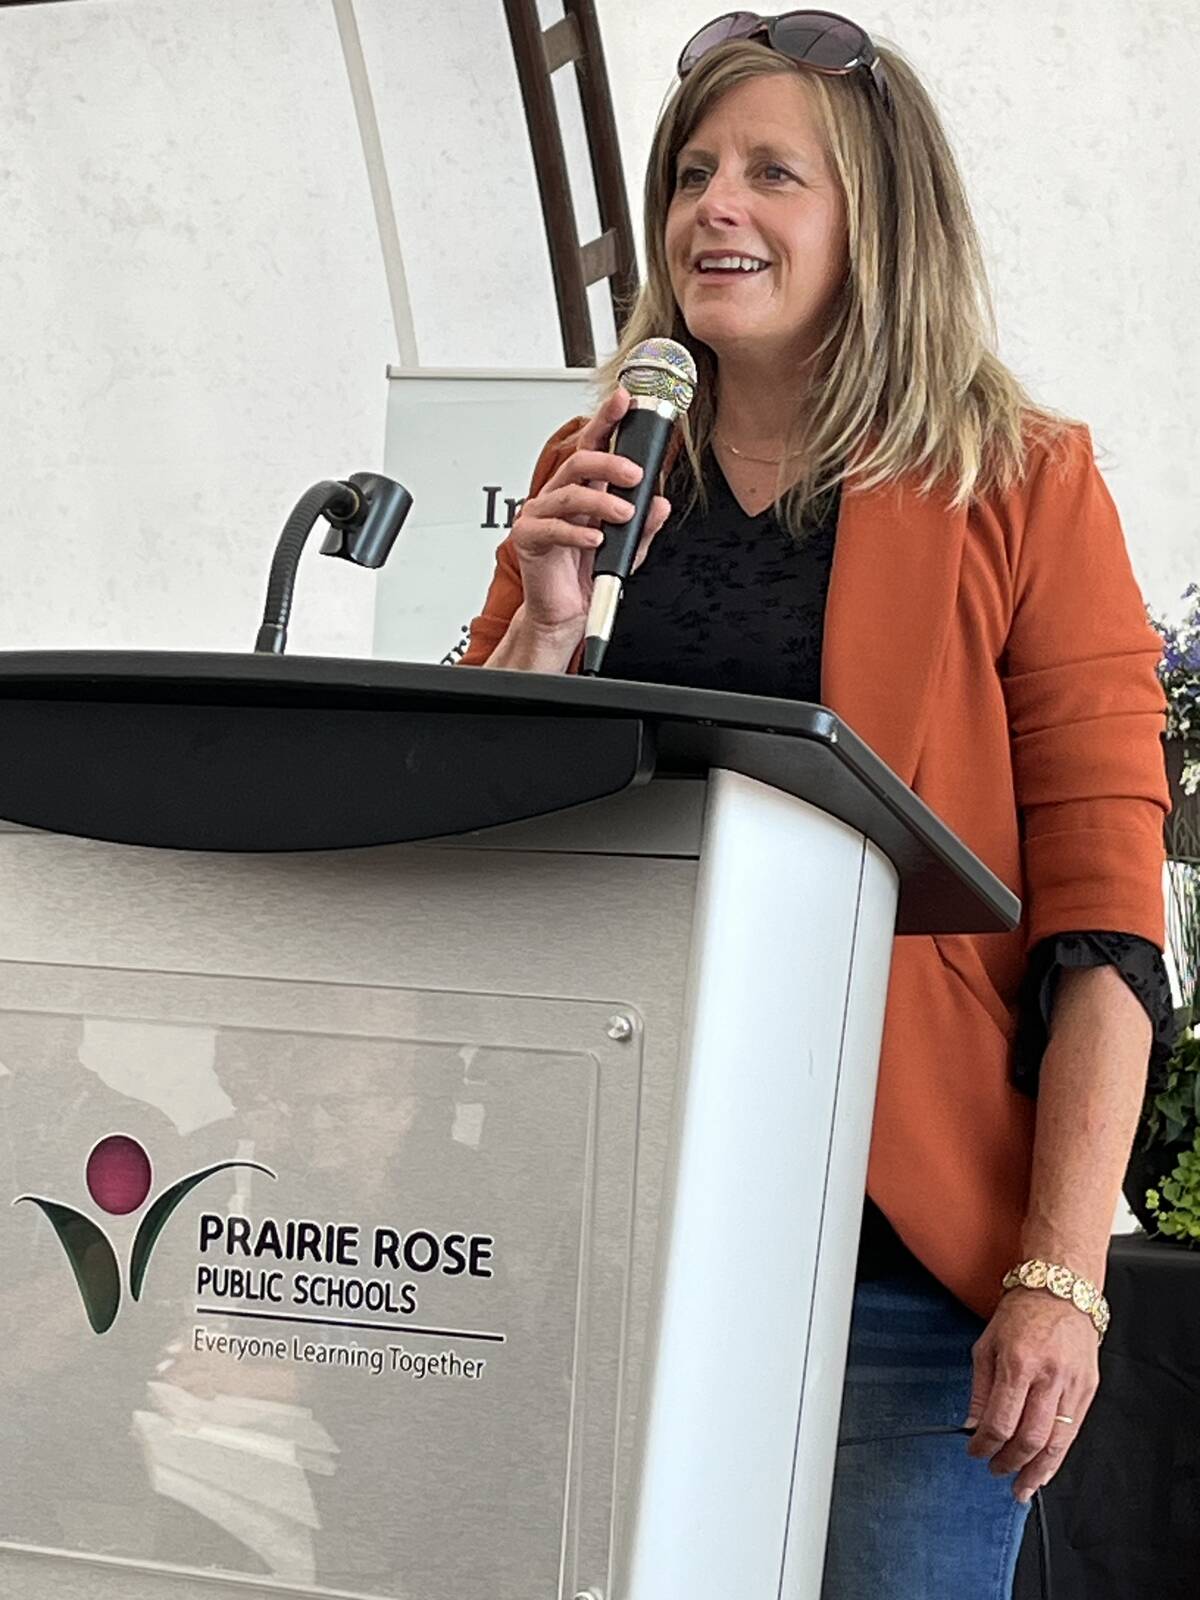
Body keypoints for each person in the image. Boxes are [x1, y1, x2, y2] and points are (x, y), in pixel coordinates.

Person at [459, 12, 1175, 1597]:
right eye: (694, 172)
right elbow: (465, 836)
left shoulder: (1022, 482)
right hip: (605, 1228)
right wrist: (546, 625)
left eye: (774, 174)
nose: (715, 206)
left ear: (880, 222)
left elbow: (1107, 918)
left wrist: (1061, 1275)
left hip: (899, 1276)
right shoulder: (595, 469)